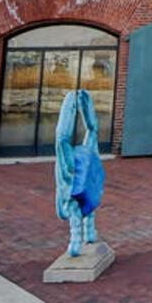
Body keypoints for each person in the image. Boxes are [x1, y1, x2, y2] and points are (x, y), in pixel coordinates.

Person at [53, 88, 105, 258]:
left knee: (79, 206)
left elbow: (63, 138)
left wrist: (77, 101)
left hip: (83, 181)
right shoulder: (84, 158)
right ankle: (85, 234)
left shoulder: (85, 158)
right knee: (82, 206)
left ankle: (79, 238)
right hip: (82, 182)